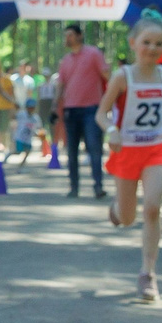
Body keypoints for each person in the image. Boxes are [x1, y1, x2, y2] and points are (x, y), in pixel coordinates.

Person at [99, 10, 162, 301]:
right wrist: (112, 130)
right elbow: (101, 114)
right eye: (147, 42)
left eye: (158, 43)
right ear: (133, 43)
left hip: (155, 149)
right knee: (128, 219)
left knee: (153, 207)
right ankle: (117, 211)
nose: (152, 49)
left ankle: (147, 274)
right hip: (126, 151)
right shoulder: (122, 77)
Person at [56, 21, 112, 199]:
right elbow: (60, 85)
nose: (67, 38)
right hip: (71, 110)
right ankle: (74, 187)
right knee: (71, 152)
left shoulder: (93, 54)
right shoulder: (65, 61)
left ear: (79, 36)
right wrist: (54, 108)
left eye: (70, 35)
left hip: (91, 109)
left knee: (94, 149)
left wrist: (110, 101)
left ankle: (98, 186)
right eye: (66, 36)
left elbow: (107, 76)